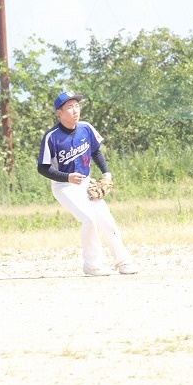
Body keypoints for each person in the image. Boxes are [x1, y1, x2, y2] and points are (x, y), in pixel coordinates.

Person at [37, 91, 138, 276]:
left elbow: (96, 152)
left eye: (77, 106)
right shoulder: (52, 136)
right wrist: (67, 177)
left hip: (86, 183)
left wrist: (107, 174)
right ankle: (92, 266)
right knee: (88, 219)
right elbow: (42, 168)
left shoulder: (86, 128)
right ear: (59, 112)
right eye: (70, 107)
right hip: (64, 186)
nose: (75, 110)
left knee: (107, 221)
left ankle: (123, 262)